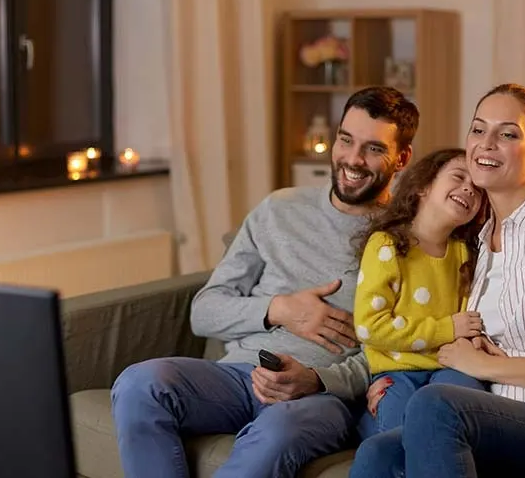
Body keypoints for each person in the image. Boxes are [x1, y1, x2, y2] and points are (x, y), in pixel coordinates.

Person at [110, 86, 418, 478]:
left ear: (402, 158)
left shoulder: (405, 240)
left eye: (373, 148)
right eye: (346, 140)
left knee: (279, 430)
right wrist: (278, 309)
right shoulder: (278, 209)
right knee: (138, 384)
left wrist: (316, 380)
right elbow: (204, 312)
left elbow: (395, 354)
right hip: (237, 376)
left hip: (316, 398)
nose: (353, 159)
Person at [352, 83, 525, 478]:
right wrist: (396, 379)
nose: (486, 143)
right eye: (478, 129)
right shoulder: (479, 244)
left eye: (507, 134)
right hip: (491, 414)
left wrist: (485, 366)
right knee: (377, 453)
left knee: (437, 406)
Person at [350, 148, 488, 444]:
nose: (469, 189)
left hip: (450, 367)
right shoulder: (386, 245)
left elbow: (469, 322)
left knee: (462, 415)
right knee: (398, 438)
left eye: (478, 189)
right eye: (458, 177)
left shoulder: (464, 254)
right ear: (423, 186)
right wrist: (446, 329)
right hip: (398, 373)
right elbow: (370, 327)